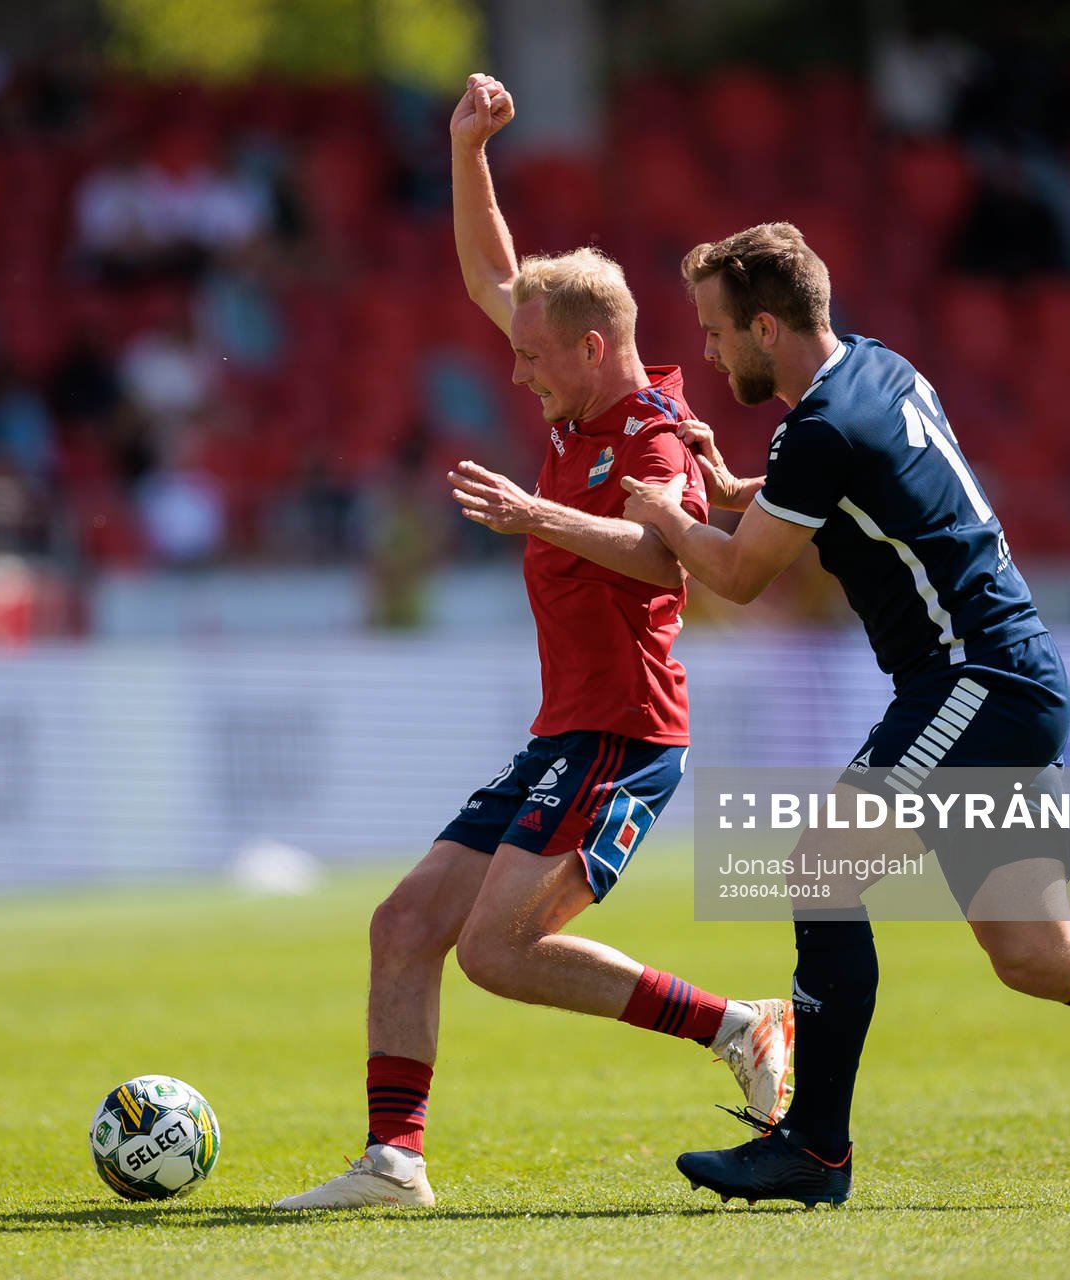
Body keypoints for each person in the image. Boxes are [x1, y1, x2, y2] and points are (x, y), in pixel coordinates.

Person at [617, 221, 1070, 1208]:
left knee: (820, 865)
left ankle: (814, 1147)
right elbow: (856, 494)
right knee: (1038, 954)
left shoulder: (820, 427)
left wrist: (666, 515)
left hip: (974, 683)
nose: (707, 351)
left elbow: (743, 576)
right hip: (1015, 676)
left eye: (714, 332)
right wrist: (741, 488)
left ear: (762, 325)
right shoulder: (880, 369)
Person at [271, 78, 794, 1212]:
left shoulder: (649, 435)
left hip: (623, 730)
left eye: (535, 357)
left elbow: (672, 558)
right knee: (404, 923)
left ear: (596, 345)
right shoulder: (574, 408)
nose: (518, 371)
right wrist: (468, 153)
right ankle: (393, 1160)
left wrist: (540, 514)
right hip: (565, 729)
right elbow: (493, 275)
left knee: (497, 951)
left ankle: (745, 1025)